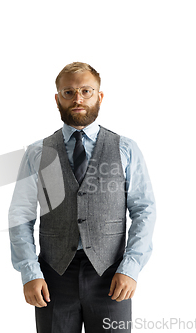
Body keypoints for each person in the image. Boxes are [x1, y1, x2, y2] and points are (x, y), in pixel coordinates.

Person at [9, 62, 156, 333]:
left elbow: (144, 209)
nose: (78, 98)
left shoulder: (125, 148)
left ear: (99, 97)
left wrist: (131, 268)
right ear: (57, 99)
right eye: (68, 92)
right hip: (52, 278)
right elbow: (21, 214)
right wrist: (29, 272)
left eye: (86, 91)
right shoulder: (37, 152)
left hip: (111, 277)